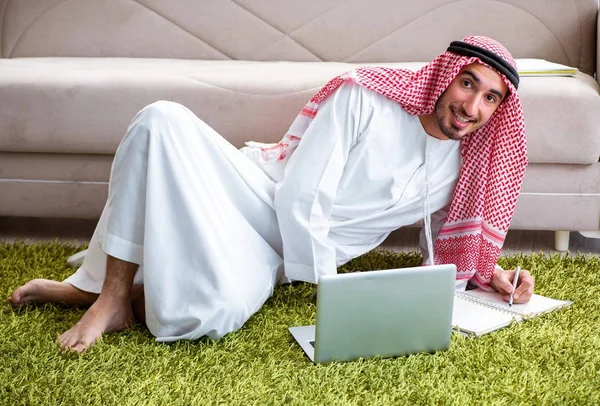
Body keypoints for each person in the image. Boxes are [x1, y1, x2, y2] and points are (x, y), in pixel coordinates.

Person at [8, 36, 535, 353]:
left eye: (490, 98)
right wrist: (335, 293)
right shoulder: (365, 99)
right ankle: (111, 294)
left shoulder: (467, 164)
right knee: (160, 121)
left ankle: (117, 293)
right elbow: (300, 199)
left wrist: (495, 274)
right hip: (254, 195)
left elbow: (449, 244)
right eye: (468, 84)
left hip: (276, 256)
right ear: (445, 76)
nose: (473, 106)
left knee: (203, 317)